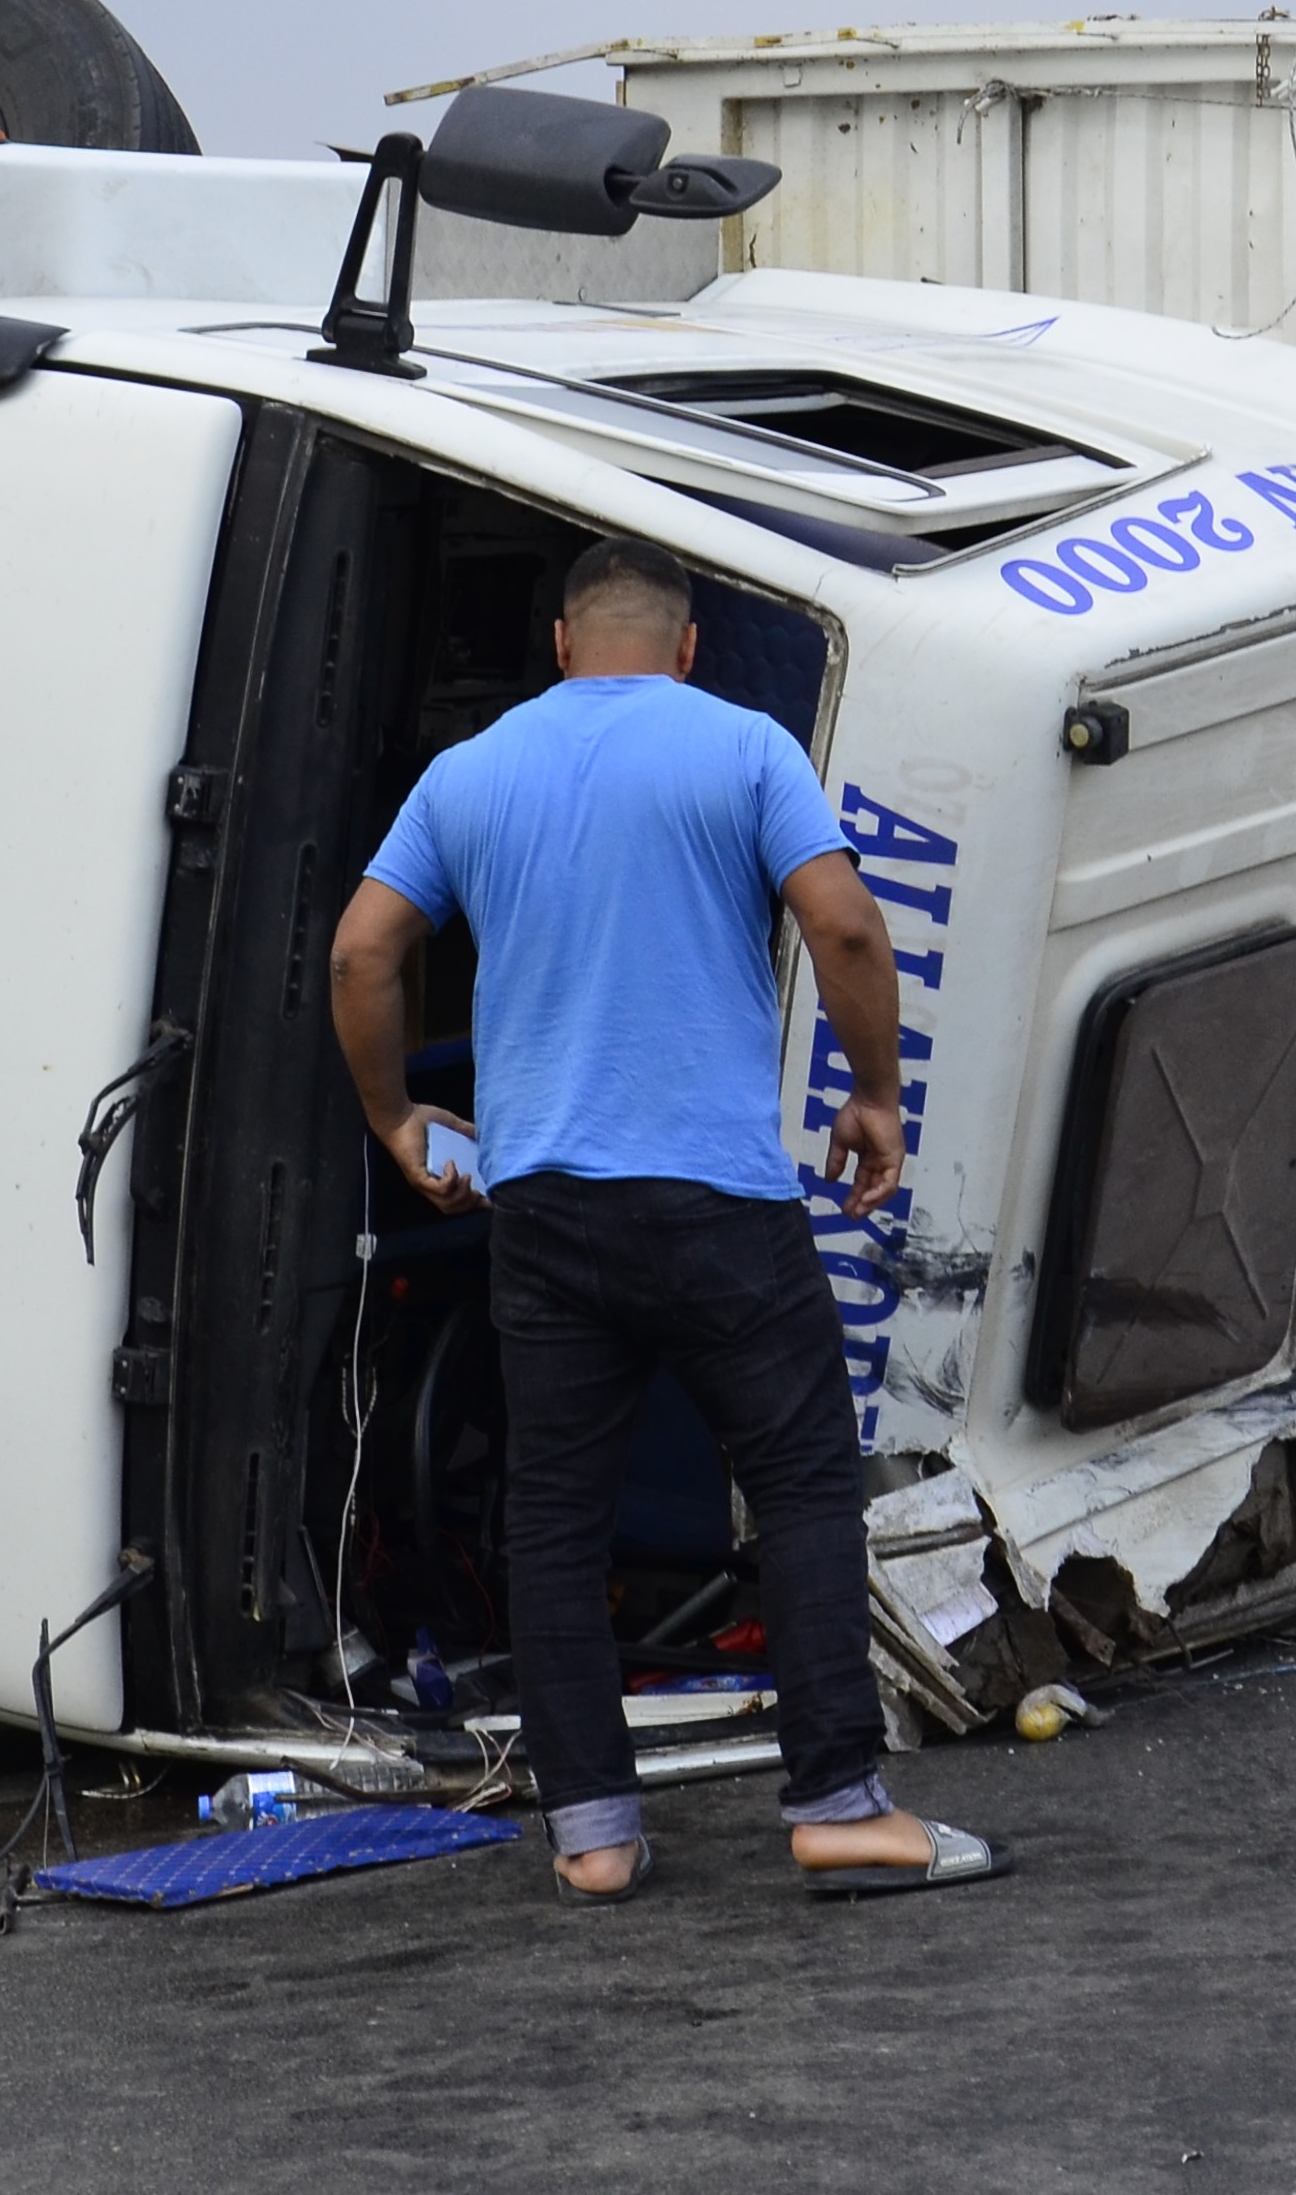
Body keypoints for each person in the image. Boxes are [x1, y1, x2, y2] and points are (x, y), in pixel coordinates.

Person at [329, 536, 1004, 1903]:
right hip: (717, 1206)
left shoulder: (471, 776)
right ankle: (837, 1804)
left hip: (546, 1212)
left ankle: (592, 1834)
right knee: (807, 1484)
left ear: (565, 647)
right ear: (687, 647)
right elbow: (850, 932)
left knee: (557, 1519)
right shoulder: (744, 749)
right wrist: (873, 1097)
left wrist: (399, 1118)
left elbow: (361, 951)